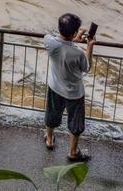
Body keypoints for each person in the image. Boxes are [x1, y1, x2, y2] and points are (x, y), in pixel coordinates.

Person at [43, 13, 96, 162]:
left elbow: (55, 38)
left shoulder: (50, 43)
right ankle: (73, 151)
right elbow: (87, 67)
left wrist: (73, 38)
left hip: (55, 87)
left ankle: (49, 139)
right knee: (75, 122)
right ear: (74, 33)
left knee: (52, 114)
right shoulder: (77, 52)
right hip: (74, 93)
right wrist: (89, 47)